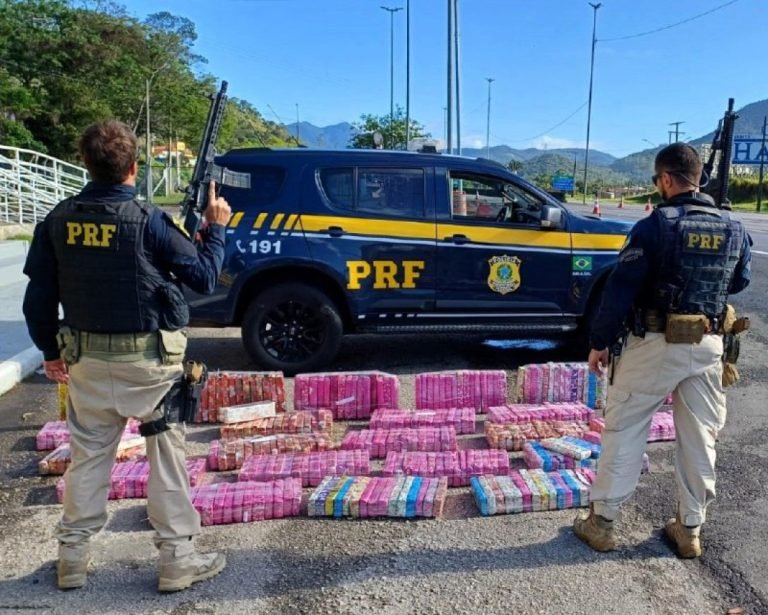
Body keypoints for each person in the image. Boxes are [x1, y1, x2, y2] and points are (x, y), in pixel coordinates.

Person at [22, 120, 232, 591]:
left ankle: (72, 558)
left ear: (86, 165)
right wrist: (216, 229)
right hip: (150, 367)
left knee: (89, 457)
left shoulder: (58, 219)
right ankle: (177, 558)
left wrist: (49, 350)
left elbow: (38, 297)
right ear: (134, 167)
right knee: (167, 456)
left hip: (88, 363)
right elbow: (202, 278)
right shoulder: (149, 219)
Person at [573, 142, 751, 558]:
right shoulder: (734, 227)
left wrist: (599, 343)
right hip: (709, 346)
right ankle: (690, 529)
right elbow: (738, 282)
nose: (657, 187)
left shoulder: (656, 225)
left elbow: (620, 289)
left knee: (625, 430)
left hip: (652, 345)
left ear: (667, 179)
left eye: (656, 181)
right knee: (700, 437)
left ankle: (602, 524)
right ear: (700, 179)